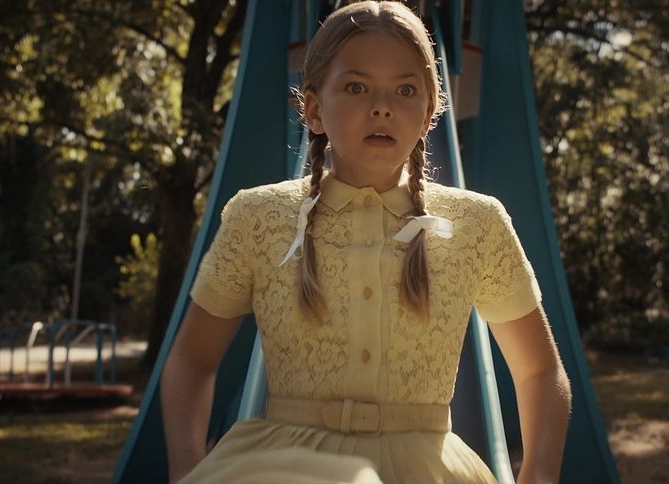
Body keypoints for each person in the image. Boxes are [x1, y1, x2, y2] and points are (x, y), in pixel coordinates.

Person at [161, 1, 572, 483]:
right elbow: (192, 358)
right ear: (313, 109)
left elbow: (541, 372)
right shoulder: (257, 216)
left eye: (405, 90)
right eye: (356, 87)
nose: (382, 106)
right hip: (281, 464)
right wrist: (186, 471)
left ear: (426, 117)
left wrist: (538, 475)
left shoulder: (477, 223)